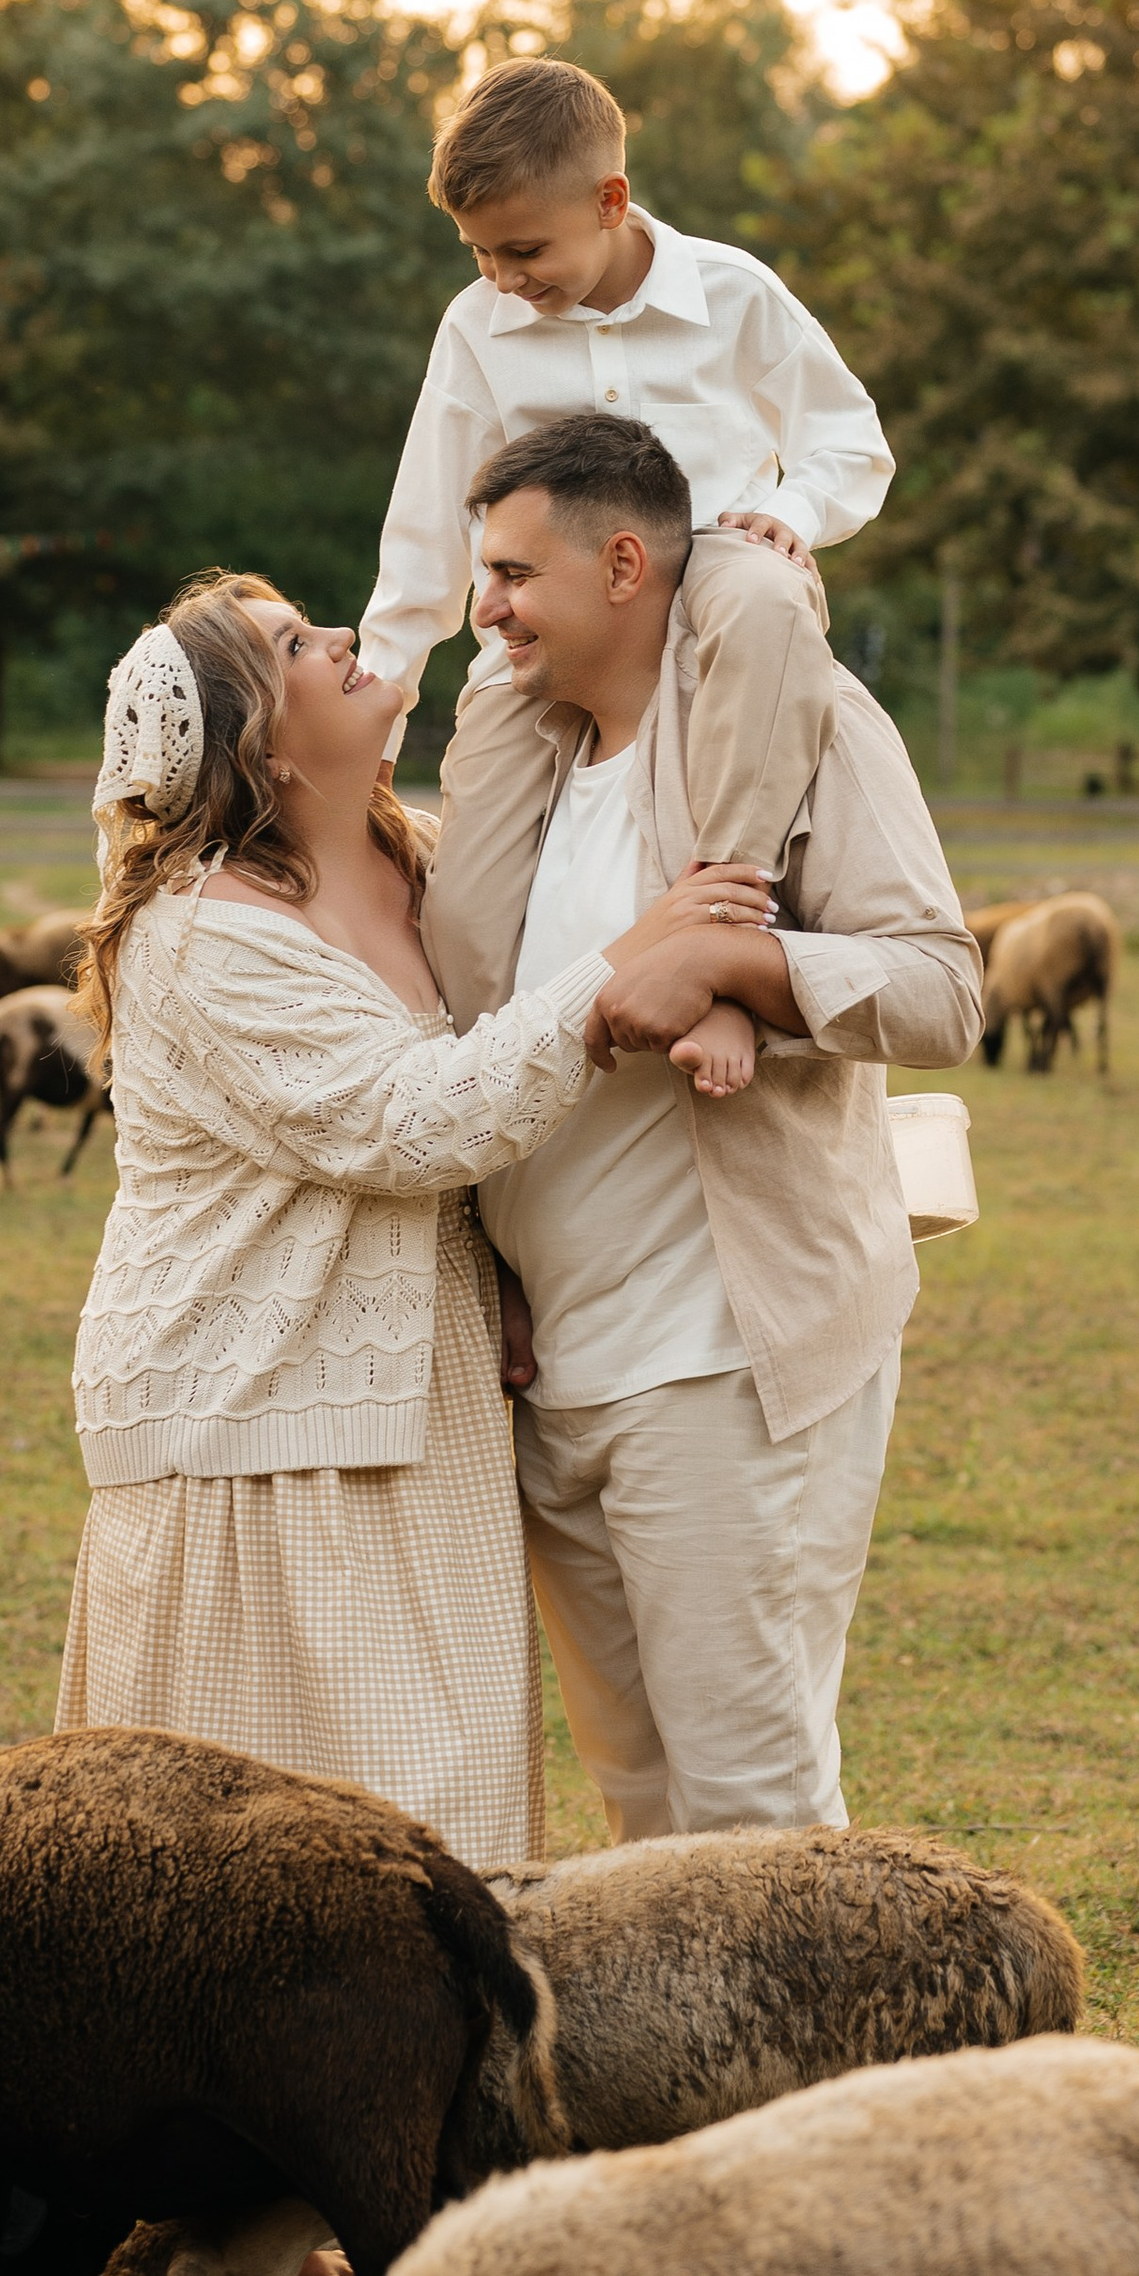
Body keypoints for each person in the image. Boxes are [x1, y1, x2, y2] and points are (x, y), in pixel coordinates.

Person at [55, 568, 770, 1868]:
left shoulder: (425, 860)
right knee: (271, 1849)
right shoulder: (200, 937)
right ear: (259, 740)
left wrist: (499, 1259)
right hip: (251, 1420)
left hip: (419, 1398)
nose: (343, 636)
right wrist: (638, 958)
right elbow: (408, 1120)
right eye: (295, 643)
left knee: (444, 1807)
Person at [423, 413, 982, 1845]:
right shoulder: (524, 770)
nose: (486, 609)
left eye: (514, 575)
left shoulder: (806, 722)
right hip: (554, 1373)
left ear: (625, 564)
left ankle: (833, 2010)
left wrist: (743, 963)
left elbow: (940, 987)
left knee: (752, 1809)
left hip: (724, 1359)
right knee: (639, 1807)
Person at [361, 53, 893, 1101]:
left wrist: (789, 514)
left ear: (610, 201)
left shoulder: (734, 293)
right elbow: (426, 522)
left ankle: (726, 922)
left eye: (524, 249)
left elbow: (850, 442)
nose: (502, 278)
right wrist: (381, 711)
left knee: (765, 590)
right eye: (478, 253)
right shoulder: (476, 326)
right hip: (549, 614)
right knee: (464, 904)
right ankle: (478, 1114)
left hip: (711, 573)